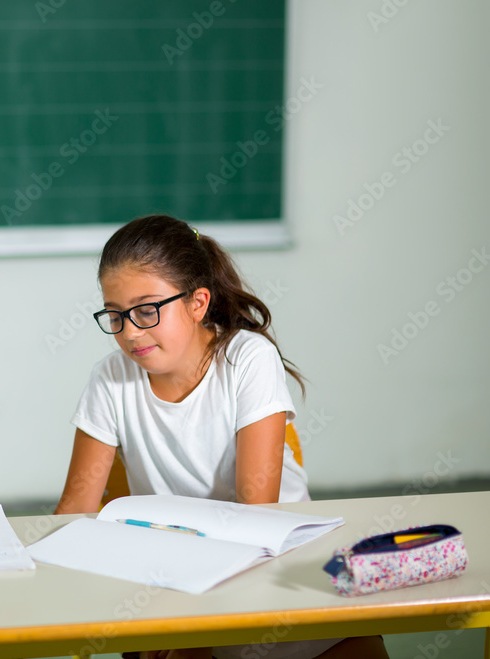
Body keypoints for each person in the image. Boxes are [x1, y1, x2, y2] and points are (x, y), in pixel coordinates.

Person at [54, 215, 387, 659]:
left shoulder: (248, 360)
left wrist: (195, 634)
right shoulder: (111, 378)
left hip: (276, 577)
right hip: (176, 582)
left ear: (197, 303)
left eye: (147, 310)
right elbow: (73, 513)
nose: (131, 332)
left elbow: (257, 513)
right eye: (114, 315)